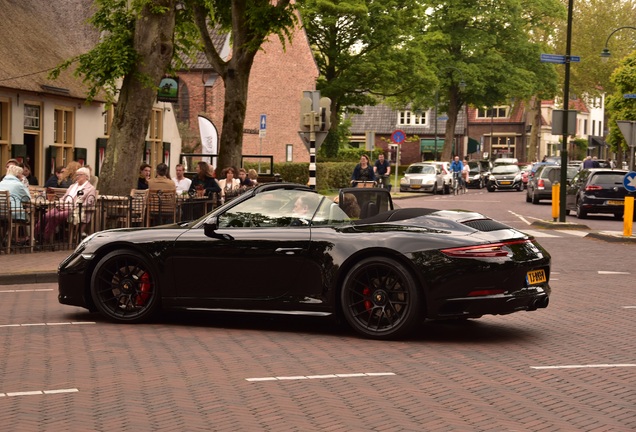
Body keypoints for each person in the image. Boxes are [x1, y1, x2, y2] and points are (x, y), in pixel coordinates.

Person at [35, 167, 97, 242]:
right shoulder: (72, 186)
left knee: (55, 217)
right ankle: (35, 236)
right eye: (76, 175)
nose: (77, 177)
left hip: (74, 210)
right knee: (46, 216)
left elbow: (88, 203)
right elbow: (63, 198)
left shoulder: (90, 189)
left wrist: (71, 207)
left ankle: (45, 238)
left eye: (79, 175)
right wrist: (60, 204)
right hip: (63, 207)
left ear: (86, 176)